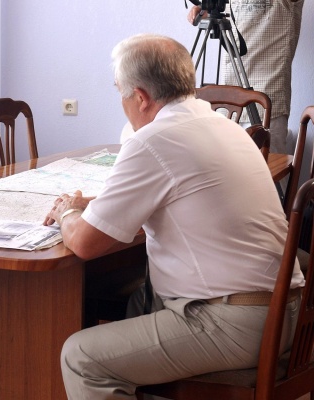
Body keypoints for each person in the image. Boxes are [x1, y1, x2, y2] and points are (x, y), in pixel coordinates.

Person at [44, 33, 305, 399]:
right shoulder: (223, 125)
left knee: (81, 357)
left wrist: (68, 212)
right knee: (140, 301)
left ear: (140, 97)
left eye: (120, 92)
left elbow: (86, 244)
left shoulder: (153, 140)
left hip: (239, 325)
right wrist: (95, 204)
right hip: (289, 312)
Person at [187, 0, 304, 155]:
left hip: (266, 104)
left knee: (268, 168)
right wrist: (208, 7)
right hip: (227, 105)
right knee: (225, 167)